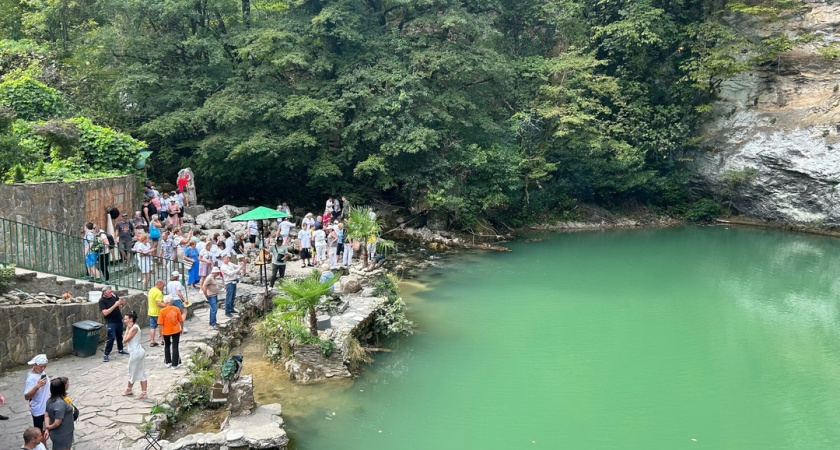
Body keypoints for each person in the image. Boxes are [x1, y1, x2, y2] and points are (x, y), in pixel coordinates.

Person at [121, 311, 148, 399]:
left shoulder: (134, 328)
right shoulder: (133, 327)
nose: (124, 320)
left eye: (126, 319)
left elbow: (125, 340)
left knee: (132, 371)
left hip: (136, 353)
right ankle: (143, 392)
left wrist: (127, 329)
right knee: (140, 371)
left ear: (131, 319)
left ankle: (129, 389)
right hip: (137, 352)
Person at [100, 286, 127, 362]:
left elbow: (121, 304)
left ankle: (120, 349)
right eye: (109, 292)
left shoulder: (113, 296)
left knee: (119, 335)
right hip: (110, 321)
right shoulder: (102, 301)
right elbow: (105, 312)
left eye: (111, 291)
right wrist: (115, 305)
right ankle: (106, 353)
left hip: (118, 319)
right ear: (105, 293)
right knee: (111, 337)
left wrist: (121, 302)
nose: (111, 293)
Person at [158, 296, 185, 369]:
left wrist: (160, 334)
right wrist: (181, 328)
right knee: (175, 346)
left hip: (166, 331)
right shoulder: (176, 309)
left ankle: (168, 362)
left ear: (166, 302)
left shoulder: (162, 311)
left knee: (167, 346)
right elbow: (181, 320)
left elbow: (160, 324)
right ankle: (175, 364)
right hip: (176, 330)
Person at [23, 354, 49, 429]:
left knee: (45, 431)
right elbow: (26, 396)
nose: (43, 368)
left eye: (45, 366)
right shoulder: (30, 379)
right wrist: (37, 386)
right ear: (34, 365)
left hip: (45, 408)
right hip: (39, 410)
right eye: (41, 366)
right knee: (40, 433)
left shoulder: (41, 373)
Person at [147, 279, 165, 347]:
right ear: (159, 284)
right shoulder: (158, 292)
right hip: (158, 313)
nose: (163, 287)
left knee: (152, 327)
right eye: (163, 285)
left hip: (151, 312)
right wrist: (166, 305)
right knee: (161, 326)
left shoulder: (151, 290)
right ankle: (162, 340)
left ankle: (152, 341)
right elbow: (158, 303)